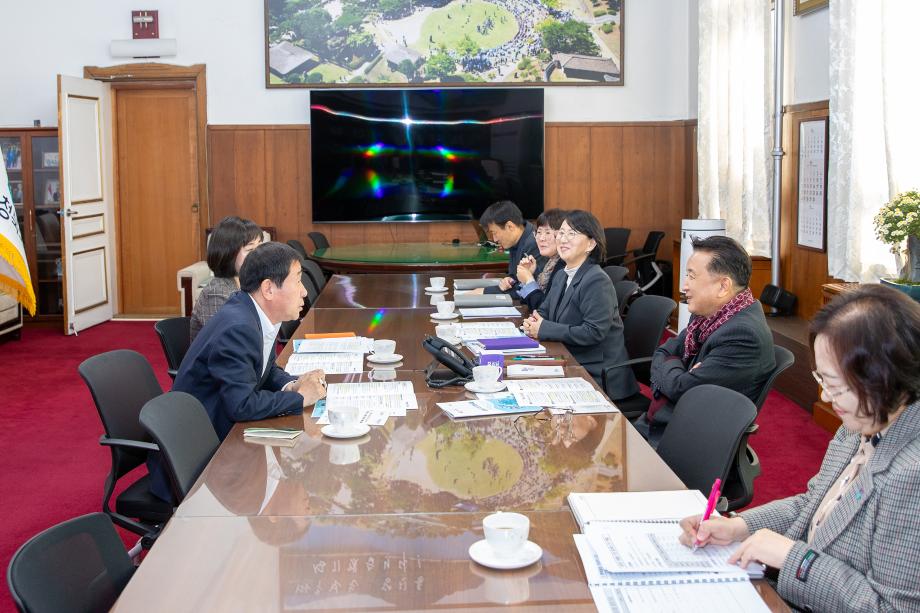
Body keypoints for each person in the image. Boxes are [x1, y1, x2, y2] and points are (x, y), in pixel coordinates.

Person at [679, 284, 920, 612]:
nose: (825, 398)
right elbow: (813, 502)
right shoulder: (862, 422)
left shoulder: (910, 473)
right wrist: (737, 526)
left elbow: (892, 608)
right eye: (822, 381)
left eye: (835, 385)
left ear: (885, 377)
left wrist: (795, 558)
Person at [149, 242, 327, 502]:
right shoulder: (238, 327)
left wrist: (292, 384)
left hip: (221, 437)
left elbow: (263, 369)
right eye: (298, 281)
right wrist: (300, 398)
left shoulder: (253, 312)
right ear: (268, 289)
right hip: (203, 460)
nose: (304, 291)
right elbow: (242, 405)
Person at [633, 235, 775, 445]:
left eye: (692, 276)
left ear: (723, 286)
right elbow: (662, 352)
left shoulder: (743, 336)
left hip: (686, 440)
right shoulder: (708, 314)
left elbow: (682, 390)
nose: (684, 286)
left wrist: (673, 366)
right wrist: (679, 368)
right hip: (662, 421)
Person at [521, 210, 637, 397]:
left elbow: (593, 332)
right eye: (561, 233)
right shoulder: (562, 274)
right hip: (570, 358)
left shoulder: (597, 280)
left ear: (590, 244)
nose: (563, 239)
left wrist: (543, 329)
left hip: (598, 373)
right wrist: (533, 323)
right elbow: (543, 311)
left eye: (572, 234)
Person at [190, 216, 263, 341]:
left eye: (260, 247)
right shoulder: (216, 293)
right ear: (229, 254)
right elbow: (227, 343)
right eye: (250, 249)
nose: (259, 255)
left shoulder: (248, 283)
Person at [476, 200, 546, 298]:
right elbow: (515, 277)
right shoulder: (515, 242)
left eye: (494, 233)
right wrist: (508, 279)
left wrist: (484, 292)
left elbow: (530, 289)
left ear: (510, 226)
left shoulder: (535, 243)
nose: (495, 239)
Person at [516, 208, 567, 311]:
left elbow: (544, 309)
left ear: (561, 235)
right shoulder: (550, 263)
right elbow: (526, 302)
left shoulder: (564, 266)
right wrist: (527, 277)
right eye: (539, 232)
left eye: (548, 233)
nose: (541, 238)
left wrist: (529, 280)